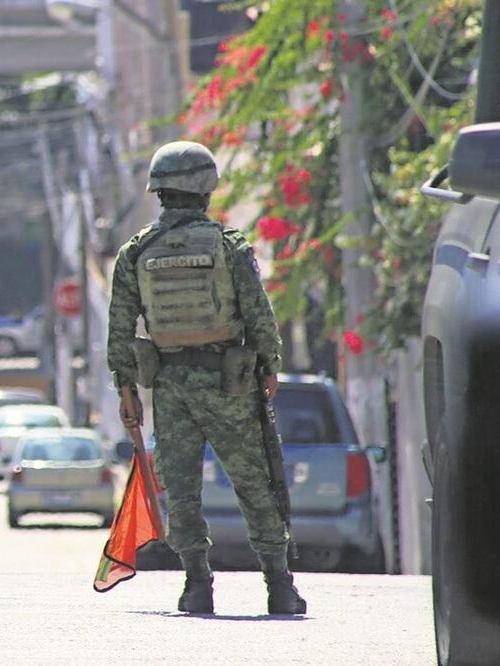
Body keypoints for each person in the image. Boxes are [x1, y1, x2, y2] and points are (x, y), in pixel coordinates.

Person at [105, 140, 306, 615]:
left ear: (158, 191)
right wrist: (270, 366)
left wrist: (126, 389)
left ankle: (197, 585)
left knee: (181, 488)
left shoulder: (137, 252)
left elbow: (120, 328)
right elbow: (258, 313)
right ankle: (279, 586)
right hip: (228, 383)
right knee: (255, 483)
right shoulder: (228, 245)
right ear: (206, 188)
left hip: (170, 388)